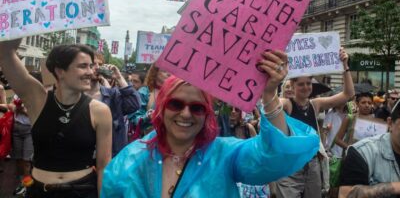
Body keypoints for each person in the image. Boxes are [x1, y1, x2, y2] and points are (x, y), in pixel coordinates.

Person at [101, 50, 320, 197]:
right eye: (176, 104)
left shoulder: (224, 154)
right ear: (161, 108)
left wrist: (269, 92)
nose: (186, 114)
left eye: (197, 107)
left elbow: (275, 155)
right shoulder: (131, 158)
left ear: (207, 114)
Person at [0, 39, 112, 198]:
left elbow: (103, 166)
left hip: (82, 191)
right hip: (39, 191)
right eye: (82, 66)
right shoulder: (37, 100)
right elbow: (6, 55)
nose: (90, 72)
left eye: (91, 66)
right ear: (60, 71)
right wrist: (22, 22)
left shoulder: (100, 111)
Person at [275, 48, 355, 198]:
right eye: (301, 84)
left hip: (312, 164)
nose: (306, 87)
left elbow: (348, 94)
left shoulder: (315, 104)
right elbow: (271, 104)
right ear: (292, 85)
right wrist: (275, 77)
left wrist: (345, 66)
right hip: (291, 165)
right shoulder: (287, 104)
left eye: (308, 83)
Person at [338, 100, 400, 198]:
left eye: (368, 102)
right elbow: (345, 195)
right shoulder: (362, 153)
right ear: (390, 124)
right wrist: (394, 187)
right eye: (363, 102)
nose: (366, 105)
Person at [86, 52, 140, 156]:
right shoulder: (76, 95)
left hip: (110, 156)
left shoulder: (112, 95)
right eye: (92, 64)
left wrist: (119, 77)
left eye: (100, 65)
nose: (97, 68)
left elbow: (134, 104)